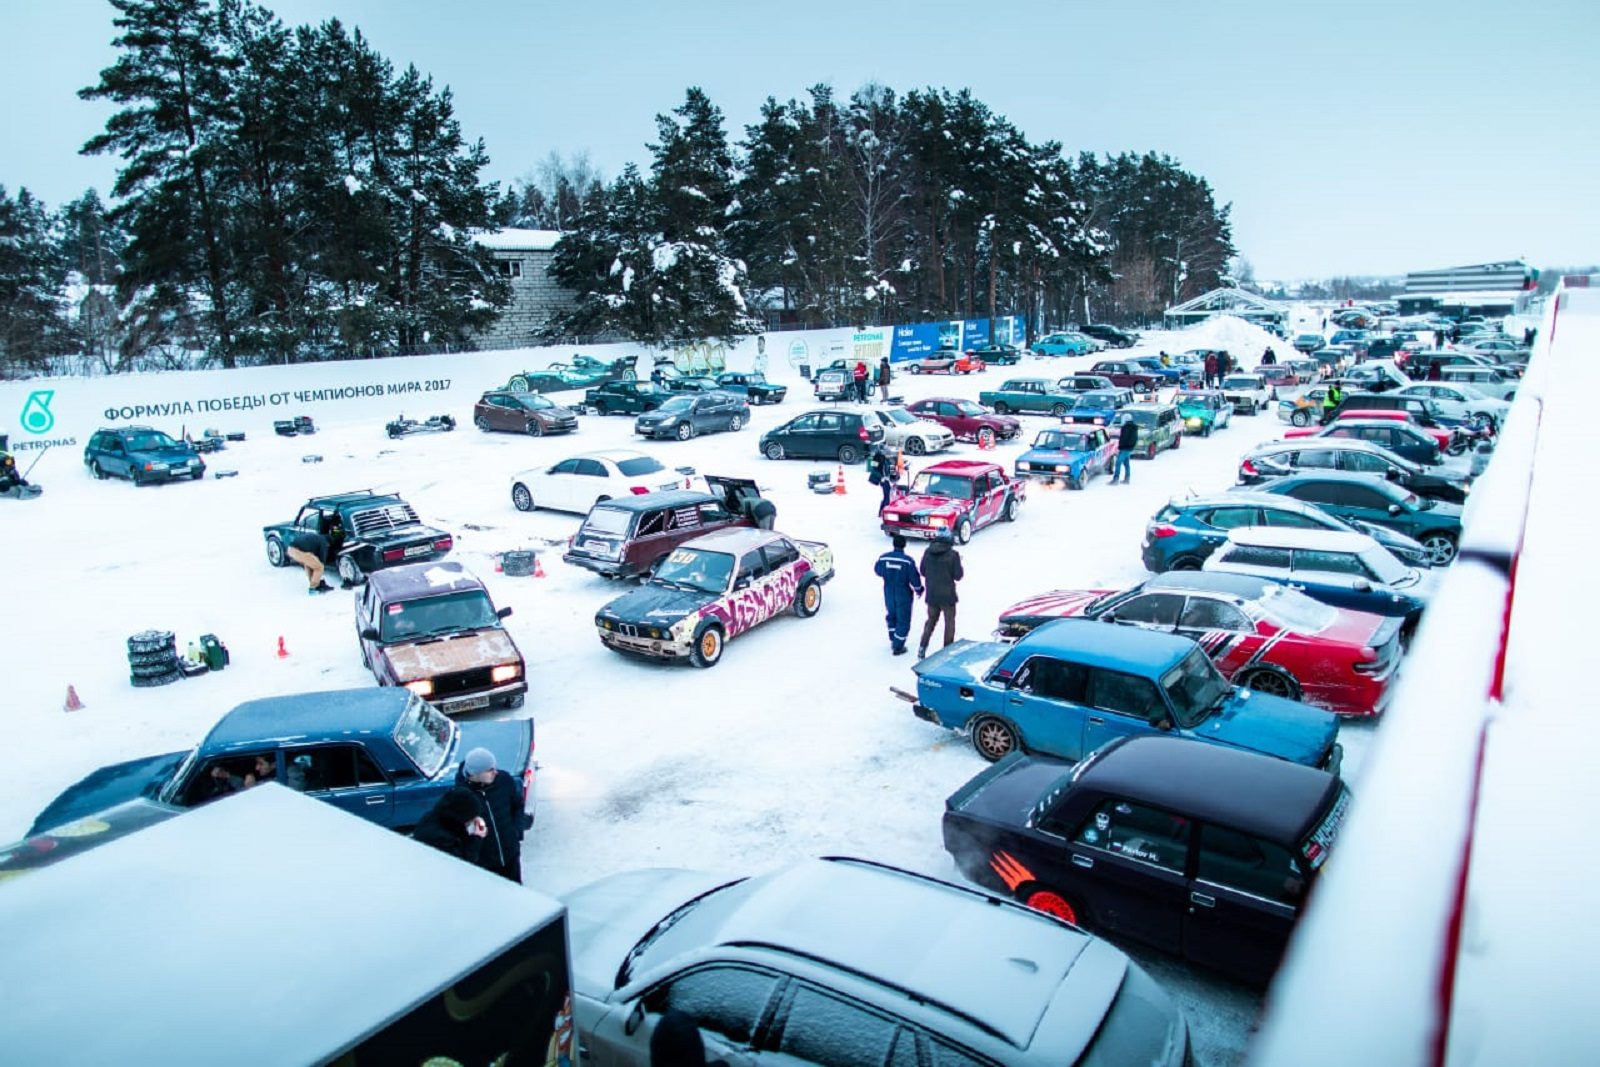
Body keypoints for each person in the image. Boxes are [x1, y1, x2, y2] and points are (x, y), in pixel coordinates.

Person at [456, 747, 532, 883]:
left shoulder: (504, 781)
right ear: (475, 774)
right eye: (490, 770)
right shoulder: (461, 797)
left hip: (510, 857)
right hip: (485, 866)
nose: (495, 772)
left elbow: (517, 806)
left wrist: (516, 833)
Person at [917, 530, 964, 658]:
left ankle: (922, 646)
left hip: (932, 595)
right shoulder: (953, 555)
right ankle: (947, 651)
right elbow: (958, 576)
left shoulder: (927, 552)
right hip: (948, 596)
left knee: (931, 621)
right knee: (949, 623)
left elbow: (922, 571)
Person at [874, 534, 924, 656]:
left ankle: (893, 637)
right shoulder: (907, 561)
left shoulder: (883, 558)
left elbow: (877, 570)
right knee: (903, 619)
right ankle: (898, 646)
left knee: (892, 615)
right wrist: (919, 590)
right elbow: (914, 579)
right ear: (904, 545)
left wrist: (888, 575)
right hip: (903, 593)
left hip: (888, 591)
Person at [412, 786, 488, 864]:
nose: (474, 821)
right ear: (461, 817)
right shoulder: (440, 839)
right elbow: (463, 866)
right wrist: (476, 838)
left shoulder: (437, 817)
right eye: (471, 818)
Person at [287, 528, 333, 594]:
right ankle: (313, 589)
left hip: (290, 549)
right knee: (319, 567)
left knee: (309, 565)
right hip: (298, 551)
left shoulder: (316, 537)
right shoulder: (323, 541)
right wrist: (322, 564)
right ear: (328, 543)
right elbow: (322, 558)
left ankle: (314, 583)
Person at [1112, 414, 1139, 484]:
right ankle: (1127, 478)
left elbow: (1124, 438)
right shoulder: (1133, 428)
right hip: (1129, 448)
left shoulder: (1126, 428)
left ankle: (1116, 479)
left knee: (1118, 463)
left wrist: (1121, 446)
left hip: (1124, 448)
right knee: (1126, 464)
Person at [867, 446, 896, 511]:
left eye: (890, 455)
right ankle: (884, 511)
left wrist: (894, 478)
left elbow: (892, 470)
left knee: (888, 496)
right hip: (883, 480)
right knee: (887, 496)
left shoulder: (891, 460)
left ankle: (882, 510)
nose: (889, 456)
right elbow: (873, 470)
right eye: (888, 455)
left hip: (888, 480)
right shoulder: (878, 458)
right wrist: (881, 478)